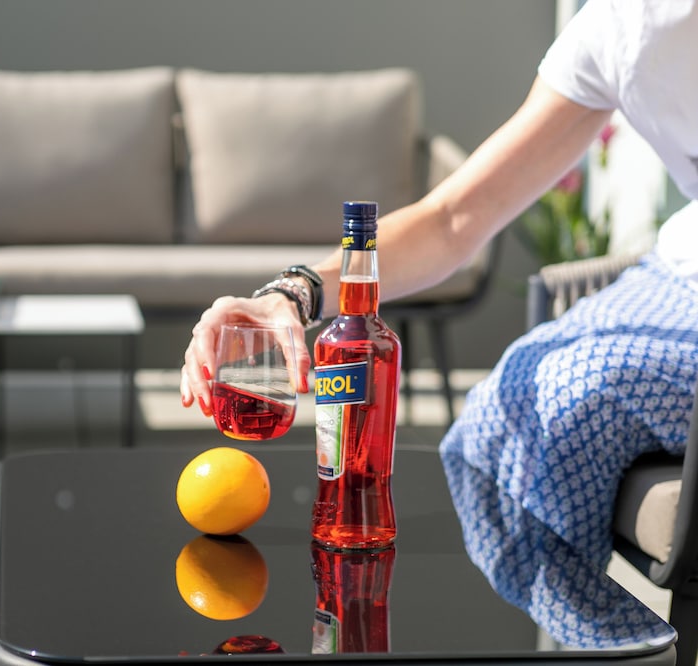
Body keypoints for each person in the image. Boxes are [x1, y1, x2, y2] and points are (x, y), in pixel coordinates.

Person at [179, 0, 698, 600]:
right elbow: (453, 218)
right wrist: (292, 295)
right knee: (493, 413)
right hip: (677, 271)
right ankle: (549, 630)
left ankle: (606, 636)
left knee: (571, 396)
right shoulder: (625, 26)